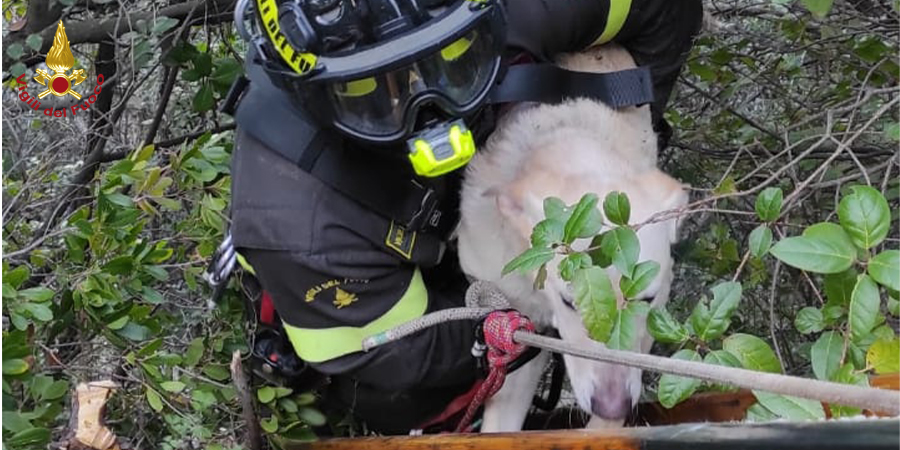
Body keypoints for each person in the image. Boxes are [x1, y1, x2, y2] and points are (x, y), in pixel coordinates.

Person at [224, 0, 703, 435]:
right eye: (370, 94)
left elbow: (666, 10)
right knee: (398, 398)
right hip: (376, 285)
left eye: (452, 62)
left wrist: (633, 146)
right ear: (311, 97)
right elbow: (400, 353)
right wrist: (506, 316)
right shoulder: (298, 226)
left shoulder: (502, 8)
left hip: (506, 186)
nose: (430, 110)